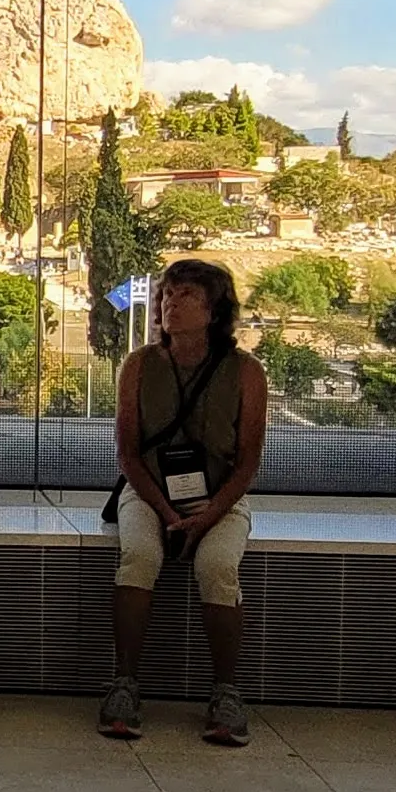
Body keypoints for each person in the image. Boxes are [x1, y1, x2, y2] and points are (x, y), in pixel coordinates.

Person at [99, 257, 273, 747]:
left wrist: (209, 514)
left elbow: (247, 463)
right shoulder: (139, 365)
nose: (171, 304)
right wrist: (170, 513)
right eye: (167, 295)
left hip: (220, 498)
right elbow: (128, 455)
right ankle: (125, 685)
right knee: (138, 556)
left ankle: (225, 693)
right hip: (149, 493)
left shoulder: (246, 372)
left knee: (217, 565)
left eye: (187, 296)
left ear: (216, 309)